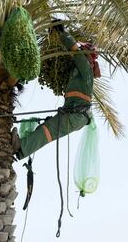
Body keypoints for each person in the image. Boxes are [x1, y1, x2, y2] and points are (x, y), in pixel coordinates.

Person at [12, 22, 99, 160]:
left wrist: (62, 32)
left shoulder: (86, 68)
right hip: (74, 114)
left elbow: (76, 53)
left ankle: (21, 147)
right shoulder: (75, 74)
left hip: (78, 115)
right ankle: (21, 149)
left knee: (49, 130)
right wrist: (63, 111)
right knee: (46, 129)